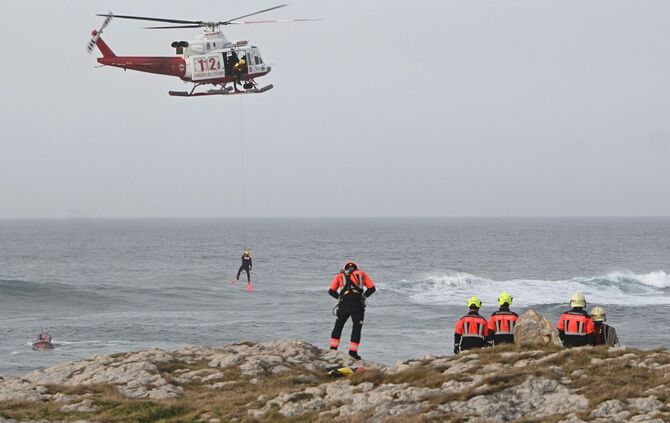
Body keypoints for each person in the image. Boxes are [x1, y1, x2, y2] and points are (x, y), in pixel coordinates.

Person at [328, 262, 376, 360]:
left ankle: (333, 350)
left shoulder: (339, 275)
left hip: (344, 304)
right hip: (357, 305)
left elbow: (331, 291)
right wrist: (363, 297)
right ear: (356, 268)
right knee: (356, 328)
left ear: (345, 268)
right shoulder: (361, 274)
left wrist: (339, 298)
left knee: (338, 326)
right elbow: (372, 288)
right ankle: (353, 353)